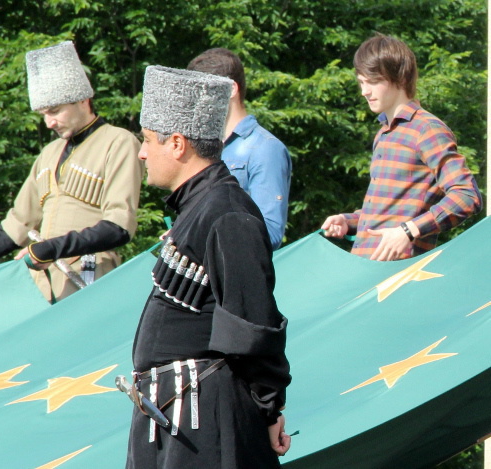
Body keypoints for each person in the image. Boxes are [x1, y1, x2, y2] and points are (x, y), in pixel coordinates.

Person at [124, 65, 291, 469]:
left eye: (147, 140)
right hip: (176, 410)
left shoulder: (228, 213)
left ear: (177, 144)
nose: (142, 152)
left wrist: (269, 409)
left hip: (204, 417)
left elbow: (253, 324)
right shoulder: (199, 207)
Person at [0, 41, 143, 302]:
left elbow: (118, 228)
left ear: (84, 99)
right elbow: (16, 226)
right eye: (43, 114)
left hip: (90, 279)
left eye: (55, 111)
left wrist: (51, 248)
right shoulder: (49, 153)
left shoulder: (119, 142)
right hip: (41, 289)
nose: (49, 123)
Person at [321, 33, 482, 261]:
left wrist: (409, 231)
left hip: (400, 273)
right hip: (365, 264)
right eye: (361, 82)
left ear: (399, 77)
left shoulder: (427, 129)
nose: (364, 91)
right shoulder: (384, 133)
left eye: (372, 81)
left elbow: (467, 195)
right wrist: (349, 221)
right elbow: (387, 211)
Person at [187, 48, 291, 250]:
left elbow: (269, 233)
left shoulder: (266, 148)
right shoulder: (203, 147)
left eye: (203, 91)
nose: (195, 102)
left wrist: (200, 235)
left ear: (232, 89)